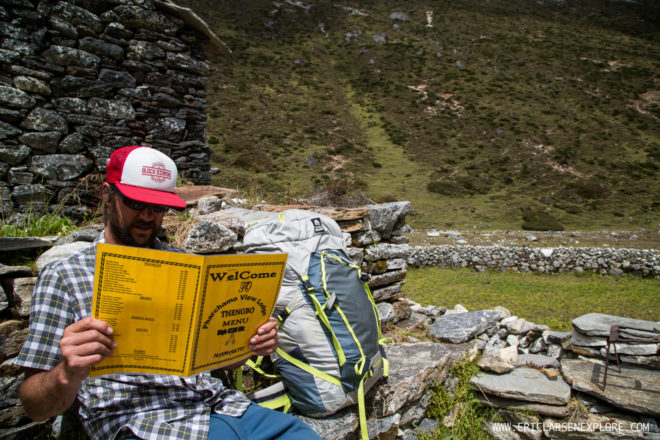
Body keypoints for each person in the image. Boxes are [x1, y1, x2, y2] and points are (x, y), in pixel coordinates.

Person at [15, 146, 322, 440]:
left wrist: (247, 344)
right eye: (135, 203)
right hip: (142, 423)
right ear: (108, 197)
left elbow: (222, 364)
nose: (148, 216)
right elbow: (34, 405)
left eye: (159, 206)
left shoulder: (187, 266)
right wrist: (67, 373)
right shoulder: (65, 276)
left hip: (223, 408)